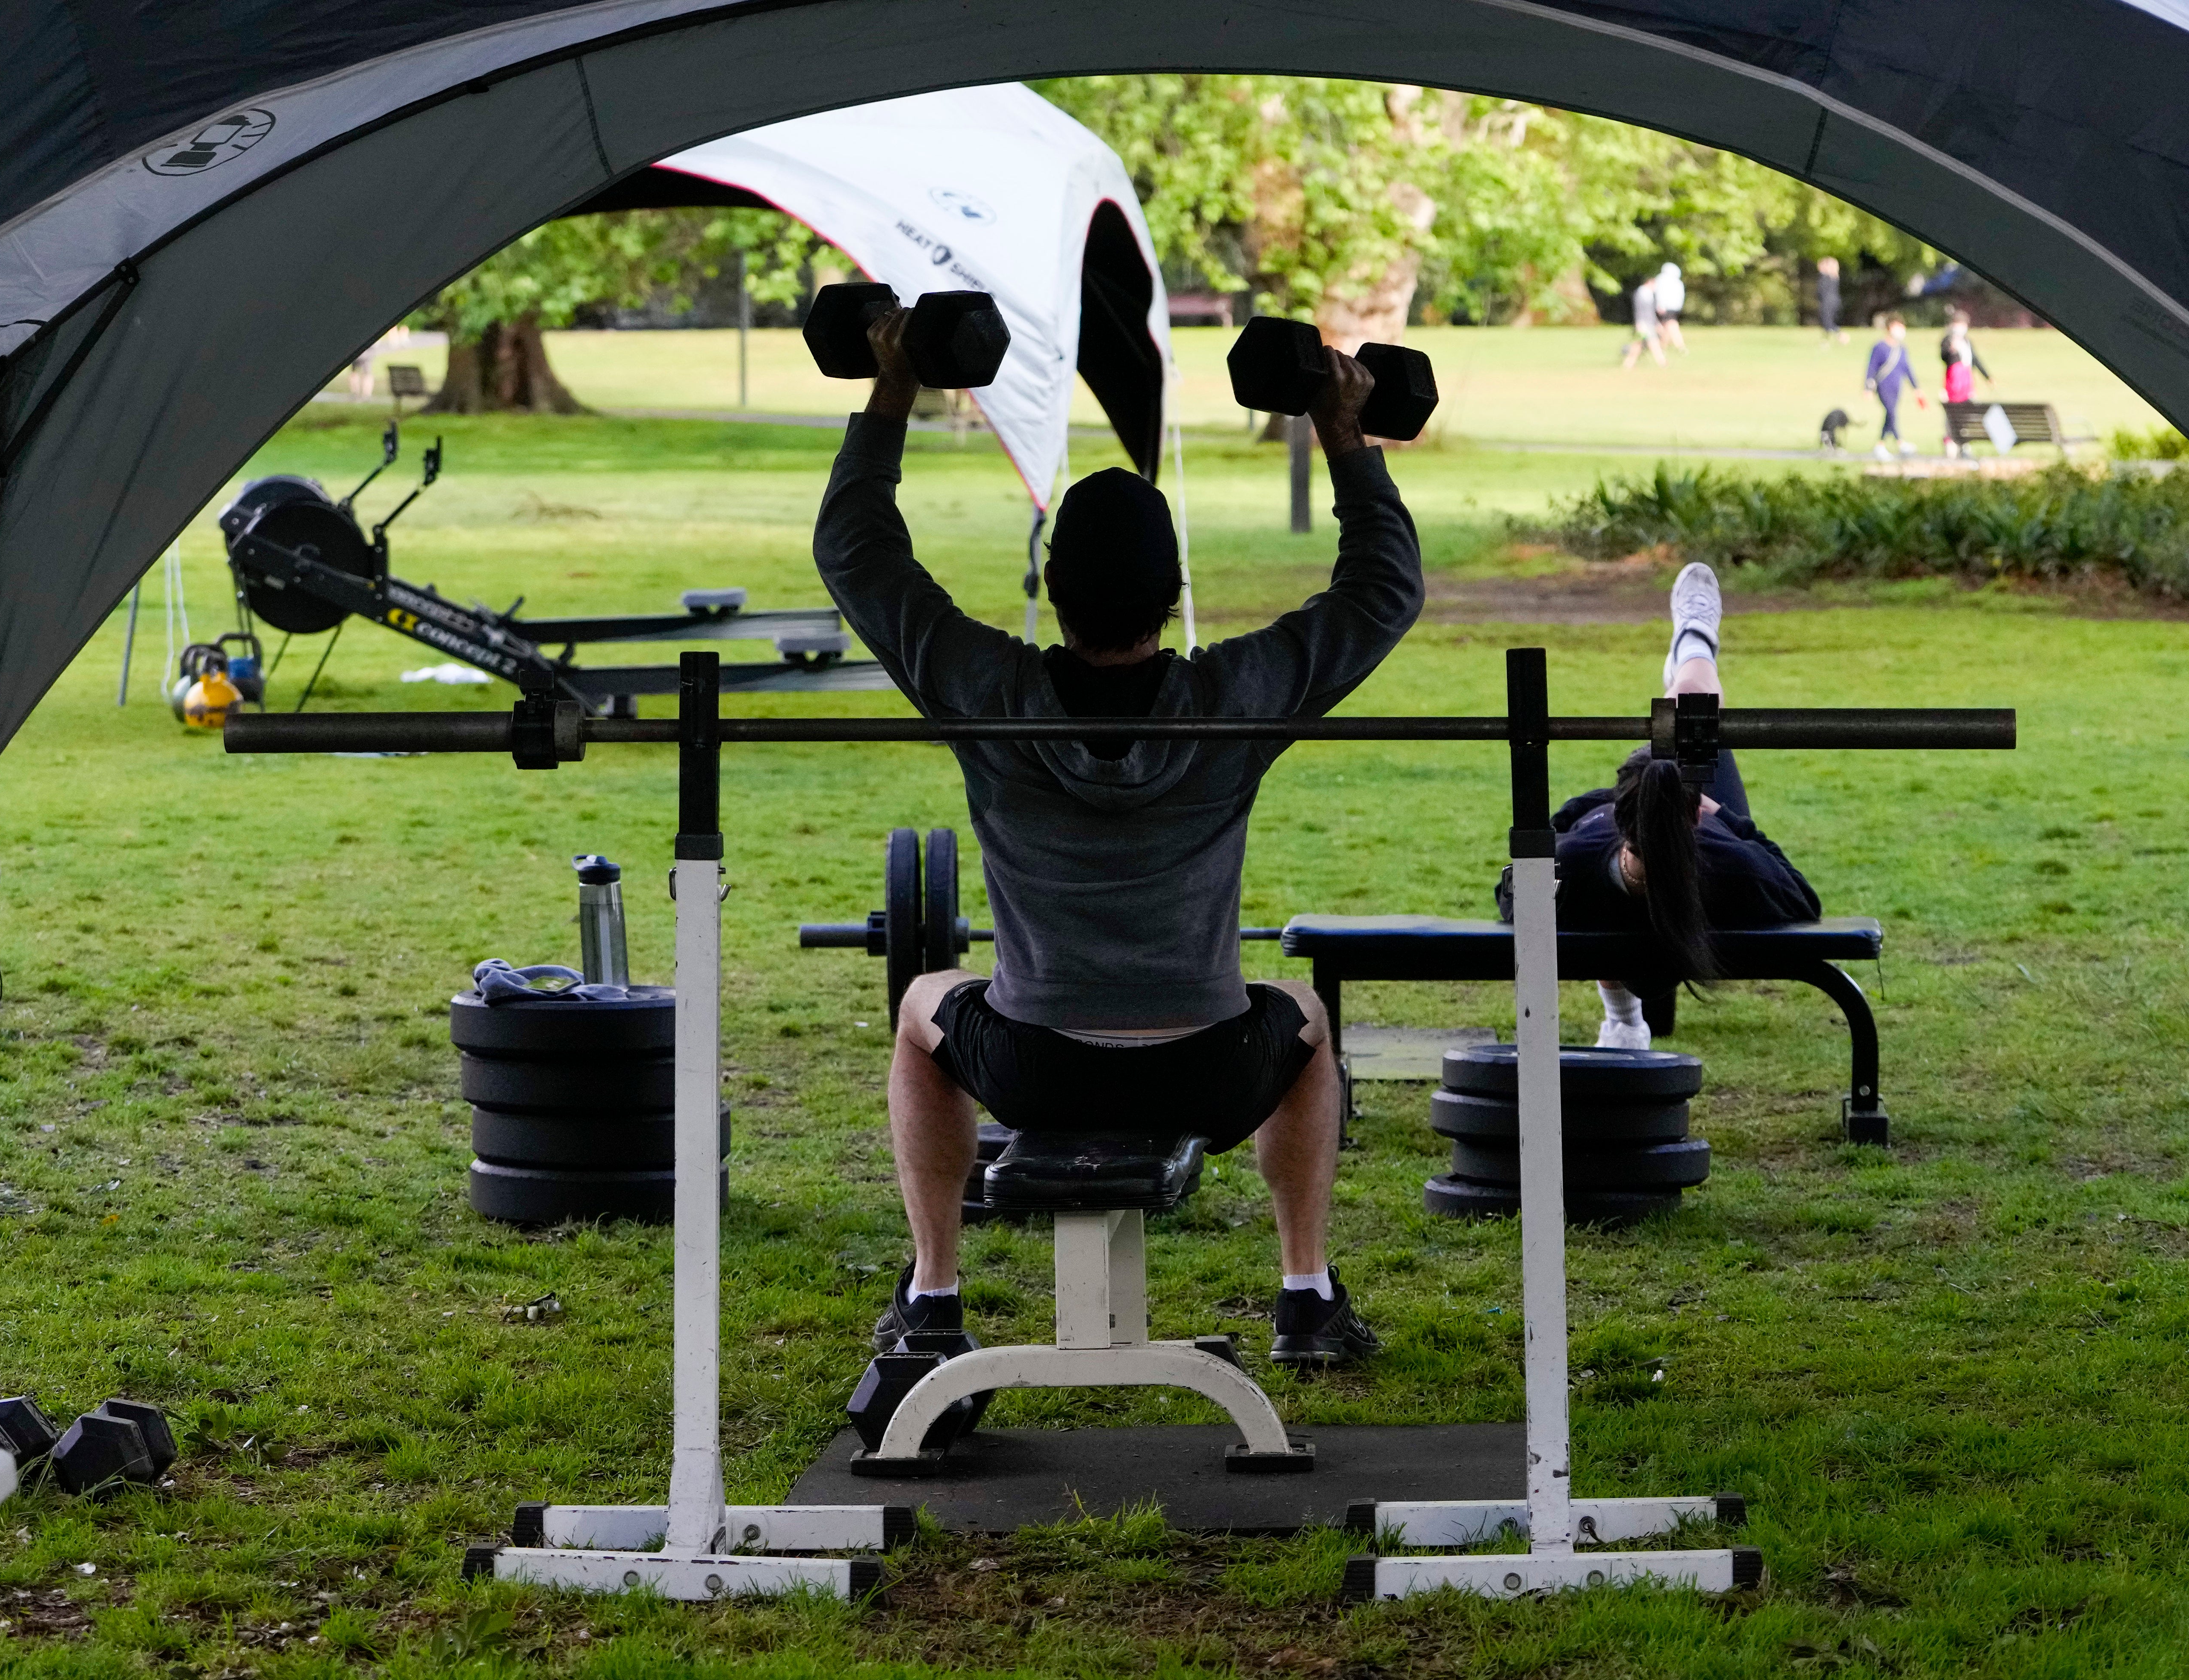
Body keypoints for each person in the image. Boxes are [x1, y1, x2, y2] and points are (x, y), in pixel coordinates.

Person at [813, 309, 1423, 1368]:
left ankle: (934, 1294)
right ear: (1172, 594)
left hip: (1034, 1064)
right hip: (1210, 1068)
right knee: (1306, 1016)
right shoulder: (1234, 700)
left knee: (922, 1006)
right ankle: (1306, 1293)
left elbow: (857, 550)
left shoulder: (989, 692)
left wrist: (896, 382)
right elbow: (1382, 590)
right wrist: (1342, 430)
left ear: (1057, 592)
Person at [1499, 563, 1821, 1049]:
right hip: (1693, 848)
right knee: (1693, 708)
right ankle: (1695, 639)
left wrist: (1582, 817)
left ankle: (1625, 1023)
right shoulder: (1733, 866)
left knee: (1587, 903)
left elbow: (1513, 886)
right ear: (1695, 812)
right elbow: (1802, 897)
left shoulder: (1576, 861)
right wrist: (1731, 822)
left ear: (1623, 812)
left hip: (1612, 868)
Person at [1937, 309, 1994, 455]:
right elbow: (1944, 358)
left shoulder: (1967, 341)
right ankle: (1952, 443)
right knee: (1952, 416)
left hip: (1967, 384)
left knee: (1968, 415)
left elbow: (1975, 360)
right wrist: (1952, 351)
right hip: (1953, 385)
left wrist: (1987, 376)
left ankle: (1964, 445)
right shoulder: (1948, 340)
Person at [1862, 317, 1921, 458]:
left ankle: (1882, 445)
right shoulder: (1880, 347)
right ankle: (1898, 443)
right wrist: (1868, 388)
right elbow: (1872, 367)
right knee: (1891, 412)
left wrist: (1916, 388)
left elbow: (1907, 369)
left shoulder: (1902, 349)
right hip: (1883, 386)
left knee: (1891, 414)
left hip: (1897, 387)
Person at [1621, 270, 1667, 368]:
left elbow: (1651, 312)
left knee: (1639, 344)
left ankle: (1629, 363)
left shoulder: (1650, 294)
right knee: (1651, 342)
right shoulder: (1641, 293)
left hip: (1649, 323)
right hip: (1643, 324)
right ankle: (1662, 362)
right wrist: (1639, 324)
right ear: (1650, 282)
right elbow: (1639, 310)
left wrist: (1656, 323)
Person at [1652, 262, 1689, 357]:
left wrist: (1660, 305)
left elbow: (1660, 295)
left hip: (1665, 308)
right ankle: (1664, 348)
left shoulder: (1661, 280)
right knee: (1669, 328)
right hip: (1675, 309)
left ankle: (1679, 347)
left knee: (1670, 327)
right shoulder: (1678, 283)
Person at [1816, 257, 1847, 345]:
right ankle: (1825, 341)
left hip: (1828, 302)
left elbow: (1821, 291)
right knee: (1827, 322)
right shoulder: (1834, 277)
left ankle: (1841, 335)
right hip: (1833, 302)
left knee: (1827, 322)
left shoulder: (1826, 277)